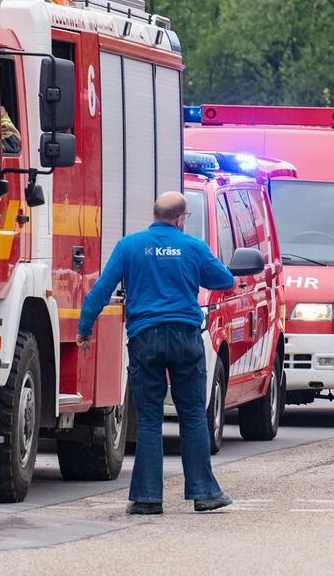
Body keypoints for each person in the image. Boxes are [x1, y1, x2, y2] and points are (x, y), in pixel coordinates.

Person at [77, 191, 236, 515]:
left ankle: (148, 498)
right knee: (192, 415)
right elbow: (225, 279)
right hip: (184, 338)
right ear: (180, 218)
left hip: (144, 338)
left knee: (149, 418)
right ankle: (204, 493)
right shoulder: (193, 247)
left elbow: (100, 291)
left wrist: (84, 329)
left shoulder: (129, 246)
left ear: (155, 215)